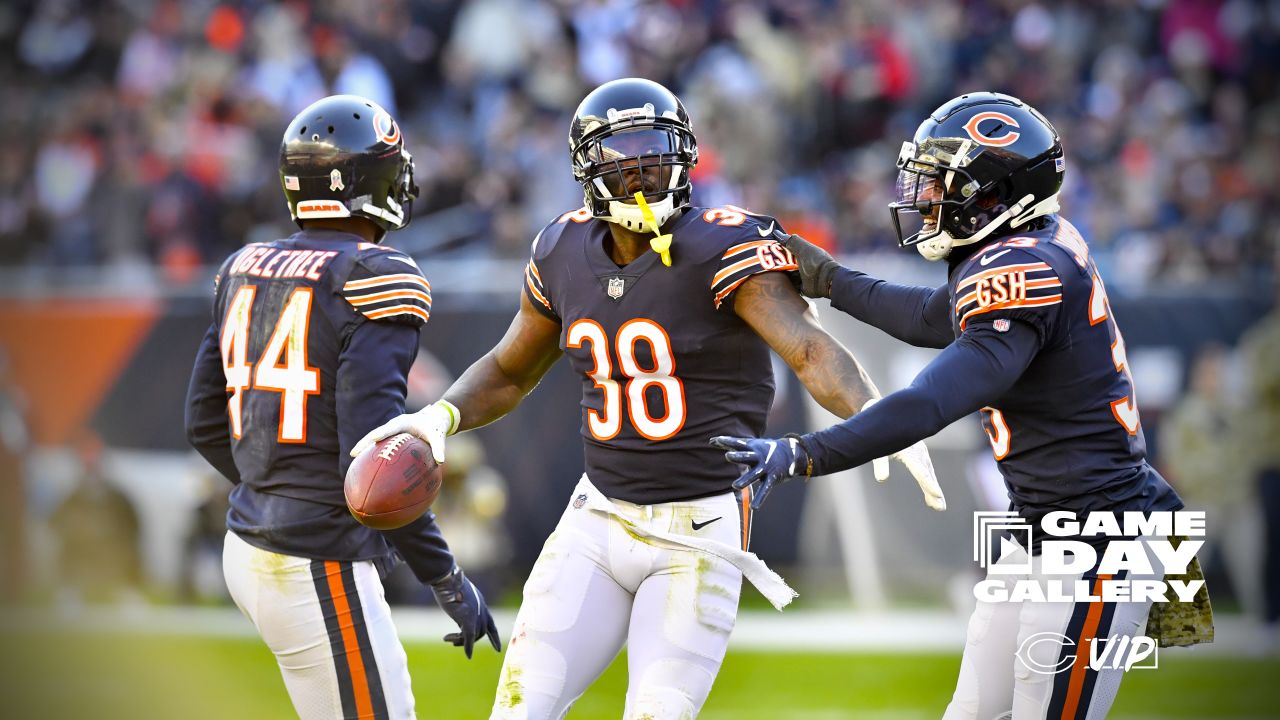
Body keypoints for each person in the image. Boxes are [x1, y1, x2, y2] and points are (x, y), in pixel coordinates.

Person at [353, 78, 942, 720]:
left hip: (700, 533)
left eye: (659, 149)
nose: (646, 167)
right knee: (519, 710)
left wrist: (878, 417)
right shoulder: (560, 248)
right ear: (588, 166)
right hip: (596, 518)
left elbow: (810, 350)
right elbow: (508, 369)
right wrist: (440, 416)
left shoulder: (723, 244)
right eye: (626, 151)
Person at [715, 93, 1192, 719]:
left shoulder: (1029, 270)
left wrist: (802, 453)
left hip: (1102, 538)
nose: (926, 197)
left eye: (944, 183)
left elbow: (927, 403)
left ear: (996, 191)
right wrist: (830, 280)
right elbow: (927, 316)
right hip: (1042, 531)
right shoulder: (1027, 245)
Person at [184, 94, 499, 720]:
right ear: (366, 183)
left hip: (247, 543)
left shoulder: (245, 265)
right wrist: (446, 577)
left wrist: (276, 488)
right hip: (312, 560)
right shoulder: (376, 275)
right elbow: (377, 465)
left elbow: (202, 422)